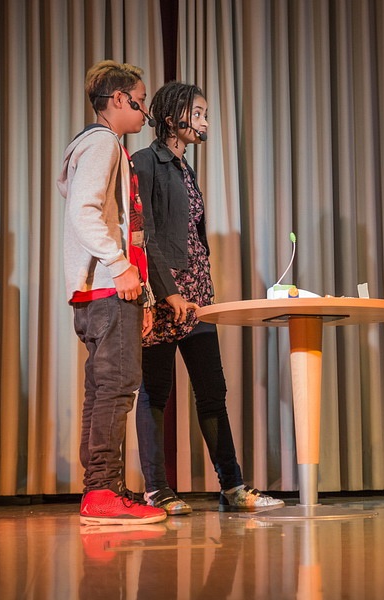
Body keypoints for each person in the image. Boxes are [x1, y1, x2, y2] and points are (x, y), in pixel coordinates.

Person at [132, 81, 284, 513]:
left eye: (205, 114)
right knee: (155, 391)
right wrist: (167, 293)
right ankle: (156, 489)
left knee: (212, 392)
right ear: (171, 119)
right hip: (163, 295)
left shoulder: (186, 168)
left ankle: (232, 487)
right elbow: (145, 234)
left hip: (197, 295)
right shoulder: (145, 161)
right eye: (197, 114)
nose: (204, 122)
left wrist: (198, 288)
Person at [58, 60, 165, 525]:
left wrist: (142, 294)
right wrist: (121, 269)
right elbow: (84, 213)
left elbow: (119, 224)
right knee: (117, 389)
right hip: (107, 288)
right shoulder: (103, 144)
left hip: (101, 291)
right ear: (119, 99)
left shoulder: (103, 146)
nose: (145, 112)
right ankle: (102, 491)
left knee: (104, 389)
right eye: (140, 102)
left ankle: (103, 489)